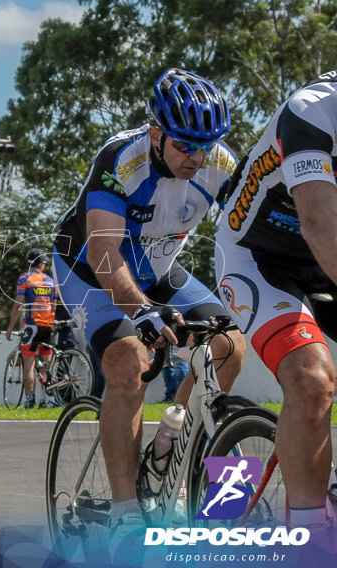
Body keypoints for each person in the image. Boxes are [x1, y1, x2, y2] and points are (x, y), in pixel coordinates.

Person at [52, 68, 247, 542]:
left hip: (159, 269)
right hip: (91, 272)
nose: (197, 158)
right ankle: (125, 513)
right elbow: (104, 253)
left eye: (206, 147)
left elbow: (249, 231)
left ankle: (170, 438)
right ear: (156, 134)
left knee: (229, 345)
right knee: (128, 363)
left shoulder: (218, 162)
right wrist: (139, 311)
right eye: (185, 146)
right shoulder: (122, 159)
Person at [214, 69, 337, 534]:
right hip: (257, 256)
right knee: (312, 380)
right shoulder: (313, 109)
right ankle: (308, 541)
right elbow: (320, 226)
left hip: (325, 255)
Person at [5, 248, 58, 408]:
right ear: (41, 264)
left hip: (31, 325)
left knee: (28, 364)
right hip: (47, 325)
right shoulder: (50, 281)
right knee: (46, 364)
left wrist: (10, 327)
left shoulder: (25, 279)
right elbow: (54, 306)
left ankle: (30, 400)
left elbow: (18, 305)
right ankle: (50, 399)